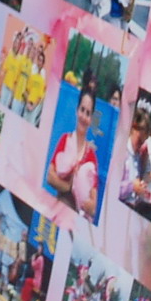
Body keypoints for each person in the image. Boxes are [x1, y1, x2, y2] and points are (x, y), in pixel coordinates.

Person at [49, 89, 102, 217]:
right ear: (77, 110)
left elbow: (93, 207)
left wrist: (84, 200)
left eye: (88, 113)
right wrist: (69, 186)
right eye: (82, 110)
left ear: (91, 118)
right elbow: (50, 177)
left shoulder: (91, 157)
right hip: (57, 211)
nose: (84, 117)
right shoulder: (65, 140)